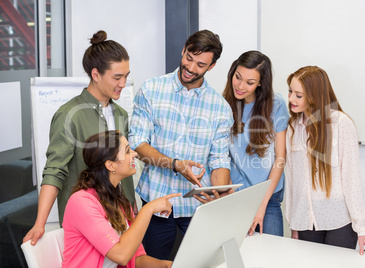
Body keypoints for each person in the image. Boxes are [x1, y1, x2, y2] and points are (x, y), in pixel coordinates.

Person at [128, 29, 233, 259]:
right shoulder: (151, 90)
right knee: (153, 264)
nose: (191, 68)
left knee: (204, 264)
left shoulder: (220, 107)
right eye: (189, 58)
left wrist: (220, 193)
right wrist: (175, 165)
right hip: (156, 202)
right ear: (183, 50)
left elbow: (219, 159)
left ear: (211, 67)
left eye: (201, 65)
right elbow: (137, 142)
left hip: (199, 208)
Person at [23, 30, 135, 245]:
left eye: (126, 76)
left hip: (121, 216)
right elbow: (54, 171)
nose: (123, 83)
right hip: (88, 222)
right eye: (117, 77)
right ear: (95, 74)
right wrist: (40, 223)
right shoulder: (68, 115)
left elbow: (122, 167)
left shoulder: (121, 114)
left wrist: (132, 208)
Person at [284, 66, 365, 255]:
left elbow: (351, 178)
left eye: (299, 95)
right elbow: (292, 179)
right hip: (305, 221)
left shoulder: (341, 124)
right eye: (290, 91)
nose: (291, 99)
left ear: (315, 95)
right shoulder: (293, 128)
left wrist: (363, 230)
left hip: (339, 220)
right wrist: (293, 222)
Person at [62, 131, 179, 267]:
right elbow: (121, 255)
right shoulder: (81, 202)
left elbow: (137, 259)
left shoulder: (120, 202)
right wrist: (148, 209)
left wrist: (170, 265)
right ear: (111, 165)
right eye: (128, 151)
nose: (135, 154)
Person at [221, 51, 288, 236]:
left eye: (250, 83)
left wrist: (262, 204)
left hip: (268, 197)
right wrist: (232, 194)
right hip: (237, 195)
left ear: (260, 83)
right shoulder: (224, 104)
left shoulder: (277, 104)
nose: (241, 86)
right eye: (238, 77)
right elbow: (222, 156)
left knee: (271, 258)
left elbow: (280, 158)